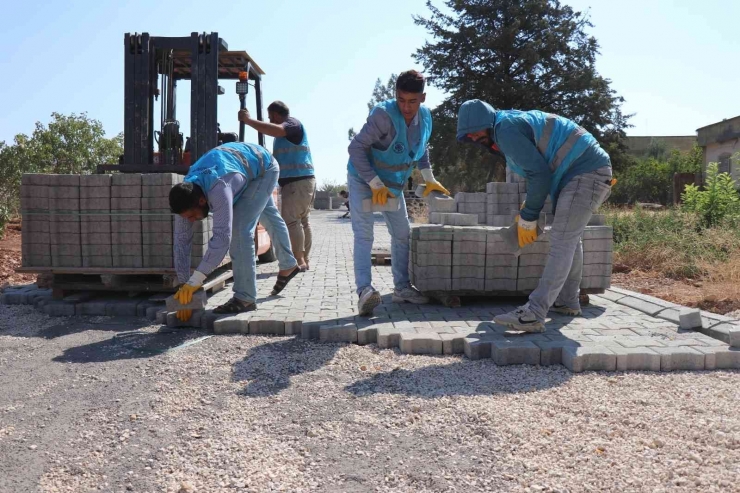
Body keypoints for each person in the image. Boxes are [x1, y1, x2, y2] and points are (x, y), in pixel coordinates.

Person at [457, 99, 613, 332]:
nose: (472, 137)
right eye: (467, 135)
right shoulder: (506, 123)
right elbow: (539, 169)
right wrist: (529, 206)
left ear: (486, 123)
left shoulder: (505, 129)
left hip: (586, 173)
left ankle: (534, 313)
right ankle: (568, 301)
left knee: (562, 240)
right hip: (583, 172)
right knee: (570, 238)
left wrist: (529, 215)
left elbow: (539, 174)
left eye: (474, 132)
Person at [347, 70, 450, 316]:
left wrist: (428, 177)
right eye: (401, 100)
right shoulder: (383, 116)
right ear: (396, 95)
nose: (406, 106)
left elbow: (421, 147)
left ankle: (402, 288)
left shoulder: (425, 118)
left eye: (412, 101)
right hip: (364, 179)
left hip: (392, 185)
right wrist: (373, 183)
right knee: (364, 235)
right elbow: (356, 148)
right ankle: (364, 291)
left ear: (422, 98)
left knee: (402, 233)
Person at [169, 142, 301, 321]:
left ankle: (245, 298)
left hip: (264, 169)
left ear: (201, 201)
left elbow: (223, 237)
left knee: (239, 230)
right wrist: (184, 286)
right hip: (243, 166)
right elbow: (181, 242)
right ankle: (288, 264)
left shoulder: (219, 188)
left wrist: (196, 281)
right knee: (269, 216)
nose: (190, 221)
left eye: (192, 216)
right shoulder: (186, 193)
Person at [239, 101, 315, 272]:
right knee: (302, 221)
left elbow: (277, 130)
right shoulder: (288, 131)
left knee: (292, 221)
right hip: (301, 182)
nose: (269, 120)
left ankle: (298, 261)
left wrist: (248, 121)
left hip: (298, 182)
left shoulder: (291, 124)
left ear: (275, 114)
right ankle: (303, 260)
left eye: (270, 116)